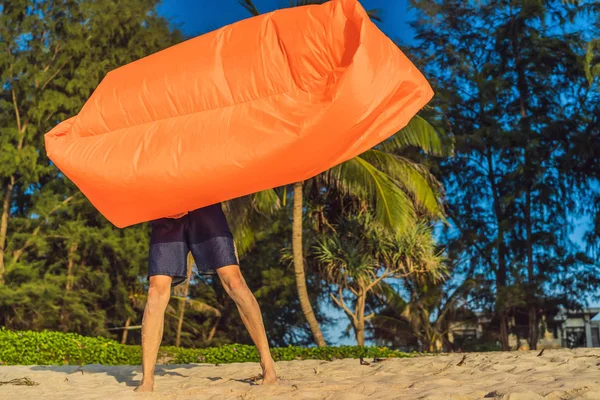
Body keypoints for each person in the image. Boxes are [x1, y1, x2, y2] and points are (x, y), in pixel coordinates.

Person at [134, 204, 277, 392]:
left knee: (234, 282)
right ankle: (147, 380)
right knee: (156, 291)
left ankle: (267, 363)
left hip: (205, 205)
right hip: (165, 212)